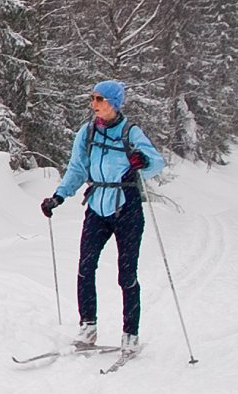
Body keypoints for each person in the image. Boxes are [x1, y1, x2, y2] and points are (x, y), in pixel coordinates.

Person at [39, 80, 165, 351]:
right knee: (85, 267)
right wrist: (59, 196)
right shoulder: (86, 133)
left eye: (99, 99)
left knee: (126, 273)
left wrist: (142, 161)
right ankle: (88, 328)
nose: (93, 104)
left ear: (114, 103)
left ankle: (130, 334)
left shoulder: (130, 132)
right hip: (97, 205)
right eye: (92, 98)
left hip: (127, 206)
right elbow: (77, 169)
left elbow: (156, 163)